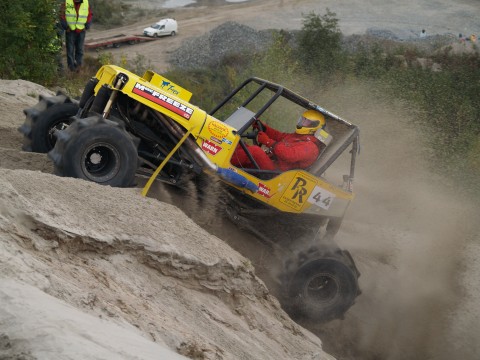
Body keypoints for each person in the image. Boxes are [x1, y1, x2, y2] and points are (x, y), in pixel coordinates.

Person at [231, 110, 331, 172]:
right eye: (302, 120)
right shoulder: (299, 136)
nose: (302, 123)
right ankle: (222, 159)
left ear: (314, 126)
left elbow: (289, 155)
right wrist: (263, 127)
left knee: (255, 151)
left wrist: (268, 142)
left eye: (306, 122)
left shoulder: (311, 147)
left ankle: (223, 164)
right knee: (239, 144)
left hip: (276, 173)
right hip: (271, 163)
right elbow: (279, 136)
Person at [60, 0, 92, 72]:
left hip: (81, 30)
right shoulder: (67, 2)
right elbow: (62, 15)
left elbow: (89, 15)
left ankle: (78, 68)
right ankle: (71, 68)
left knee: (80, 50)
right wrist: (66, 27)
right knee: (70, 50)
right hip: (70, 30)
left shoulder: (86, 2)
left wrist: (87, 25)